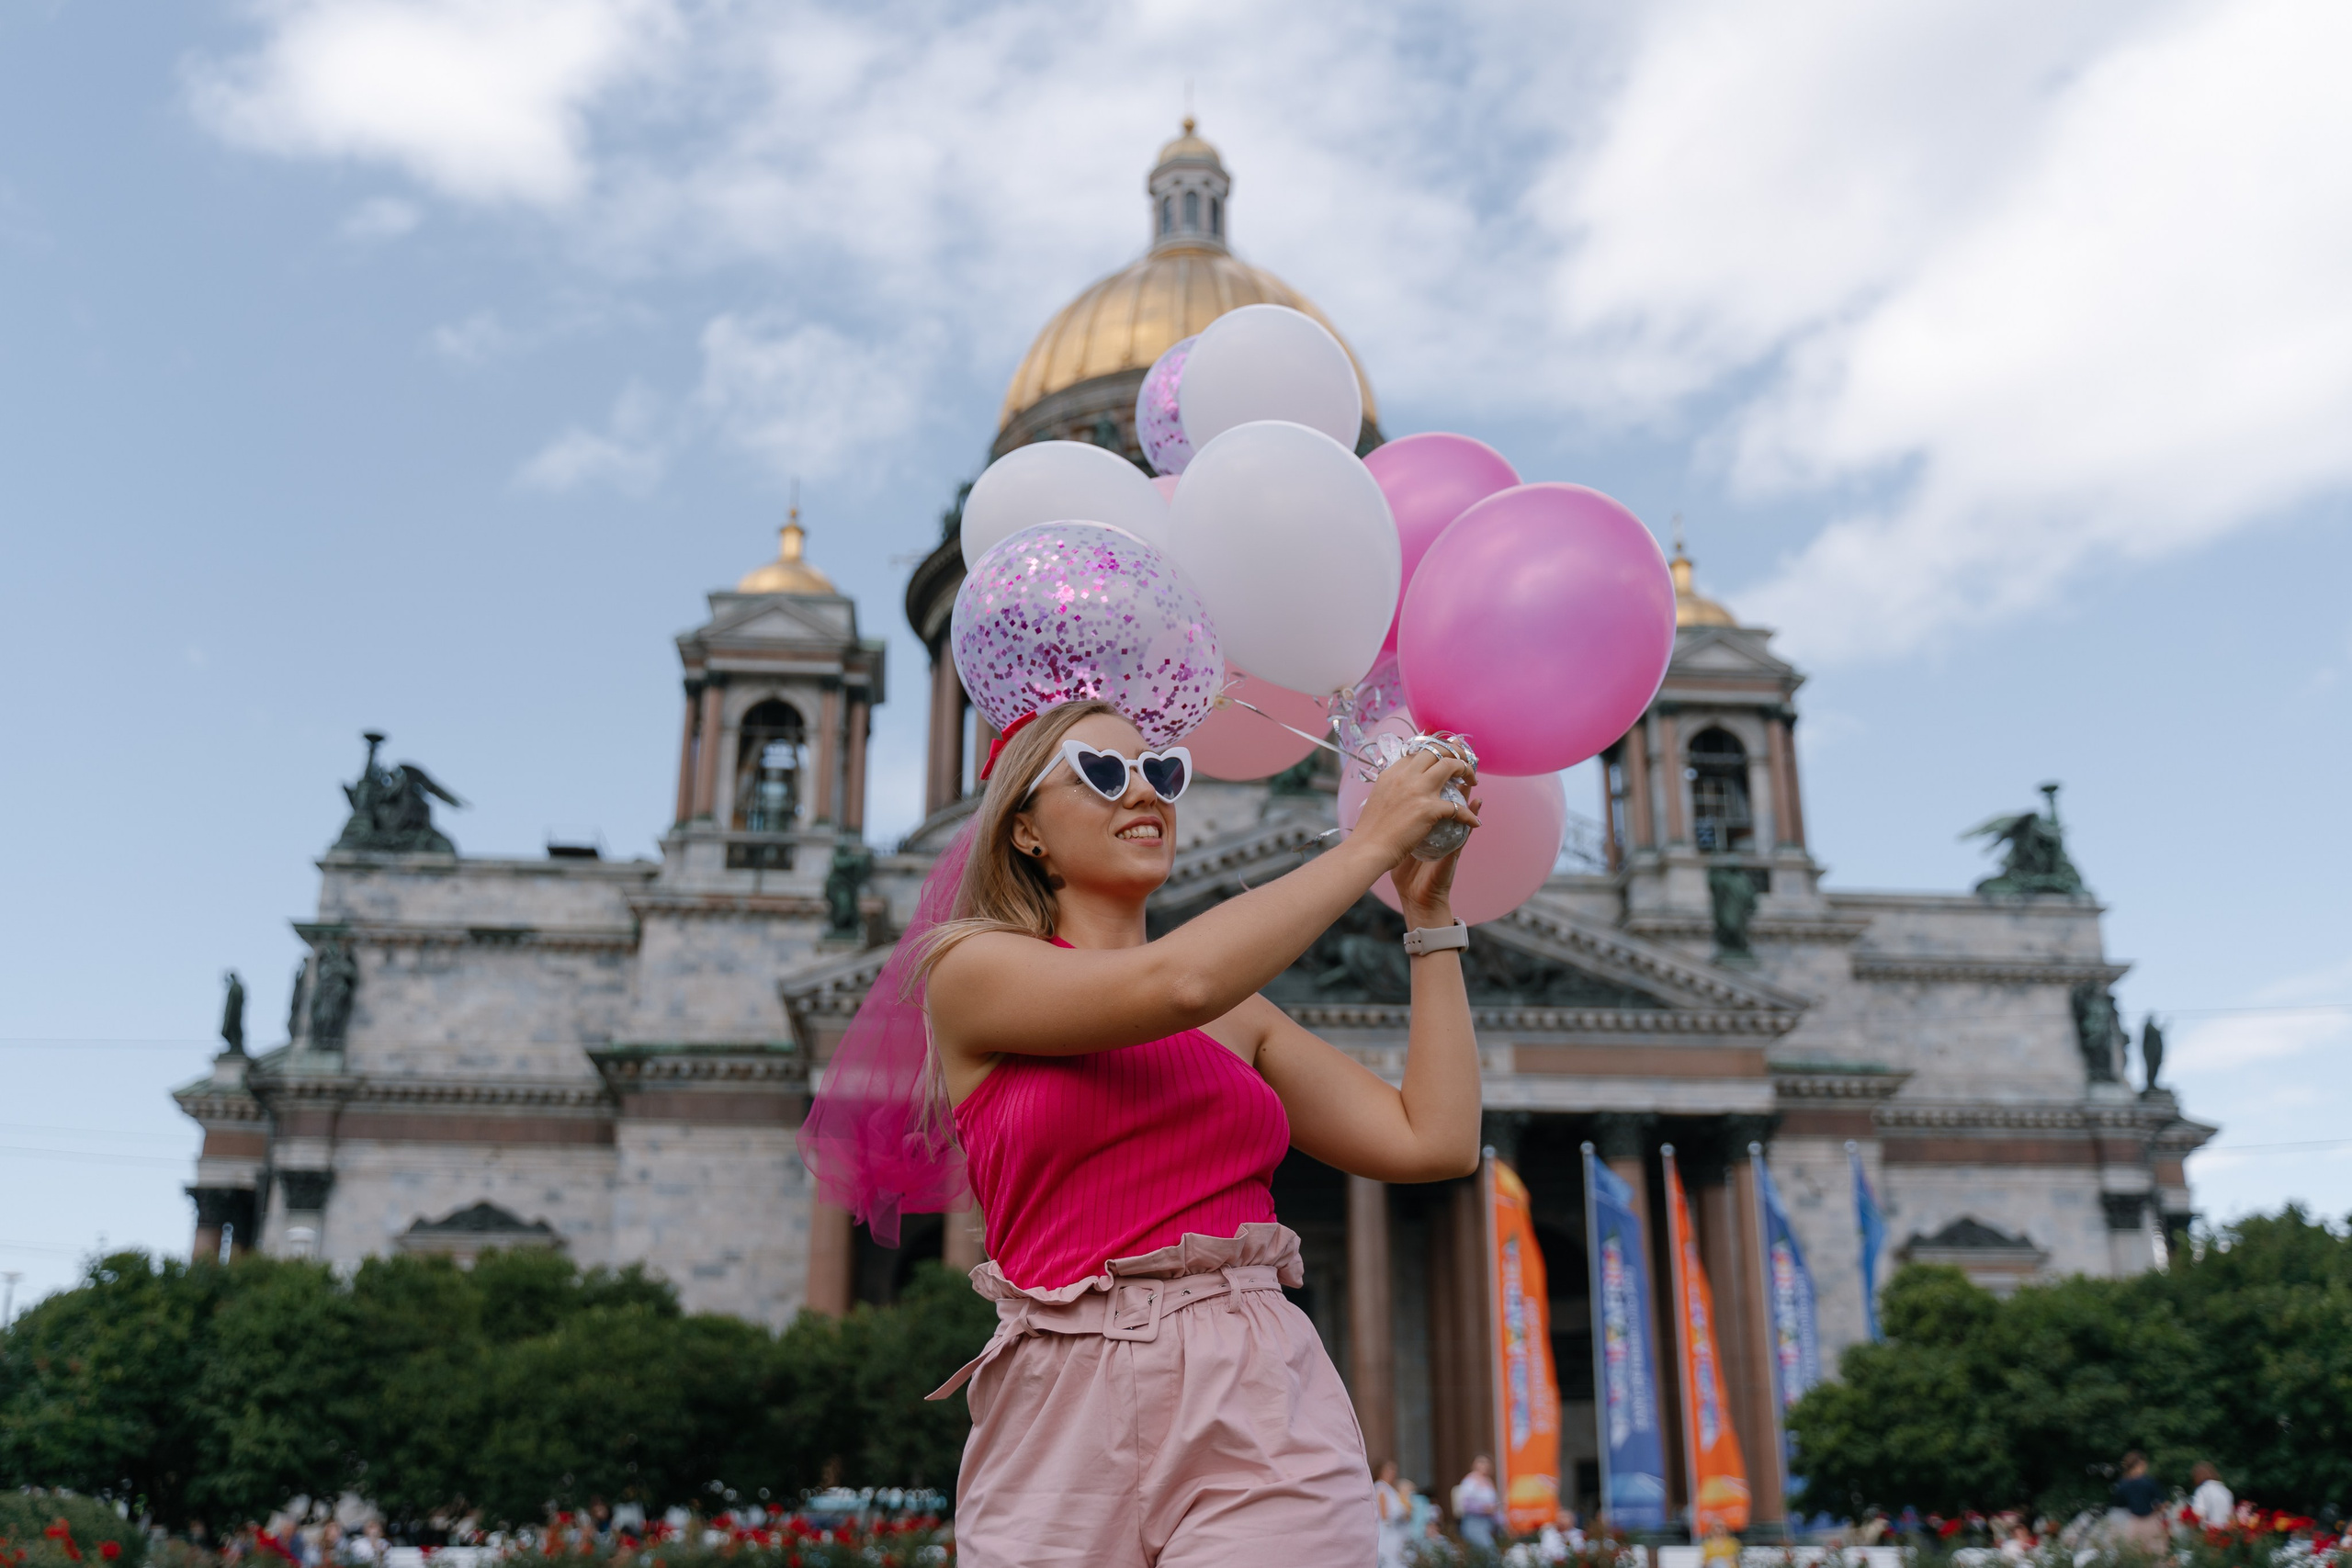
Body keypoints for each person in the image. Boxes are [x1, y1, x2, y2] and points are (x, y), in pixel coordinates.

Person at [906, 700, 1483, 1566]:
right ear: (1026, 830)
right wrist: (1367, 845)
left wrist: (1429, 916)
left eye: (1162, 771)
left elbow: (1433, 1139)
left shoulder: (1239, 1013)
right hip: (1058, 1411)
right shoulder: (972, 971)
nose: (1145, 792)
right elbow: (1177, 985)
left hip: (1254, 1394)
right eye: (1104, 772)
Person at [2112, 1451, 2165, 1548]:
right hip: (2150, 1520)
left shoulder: (2123, 1483)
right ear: (2139, 1464)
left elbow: (2119, 1504)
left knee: (2132, 1551)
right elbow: (2161, 1503)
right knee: (2155, 1552)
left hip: (2133, 1522)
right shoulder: (2148, 1481)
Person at [1455, 1456, 1503, 1550]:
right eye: (1481, 1462)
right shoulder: (1469, 1481)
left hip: (1489, 1523)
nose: (1484, 1465)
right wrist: (1483, 1508)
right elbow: (1465, 1504)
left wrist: (1502, 1522)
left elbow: (1494, 1506)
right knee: (1488, 1550)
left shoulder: (1488, 1482)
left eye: (1486, 1462)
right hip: (1474, 1522)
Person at [1375, 1462, 1411, 1568]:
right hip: (1387, 1533)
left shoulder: (1390, 1489)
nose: (1393, 1473)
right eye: (1389, 1470)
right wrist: (1401, 1513)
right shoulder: (1381, 1487)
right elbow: (1384, 1516)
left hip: (1395, 1532)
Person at [2191, 1462, 2233, 1529]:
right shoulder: (2225, 1491)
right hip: (2225, 1532)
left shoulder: (2202, 1490)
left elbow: (2198, 1513)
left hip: (2208, 1531)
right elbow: (2230, 1516)